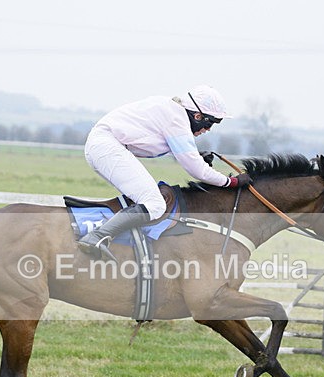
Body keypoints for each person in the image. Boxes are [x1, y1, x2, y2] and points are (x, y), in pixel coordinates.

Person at [78, 85, 252, 260]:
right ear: (197, 116)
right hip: (107, 147)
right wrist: (232, 182)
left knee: (143, 199)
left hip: (103, 146)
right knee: (155, 204)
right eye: (209, 123)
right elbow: (197, 170)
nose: (208, 130)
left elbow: (164, 145)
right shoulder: (177, 120)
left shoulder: (172, 111)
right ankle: (97, 237)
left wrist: (196, 155)